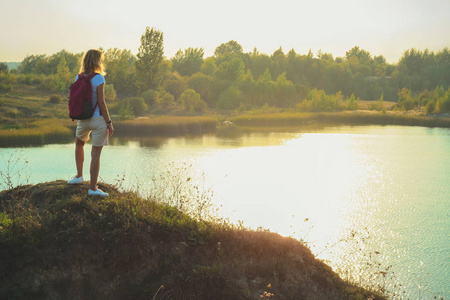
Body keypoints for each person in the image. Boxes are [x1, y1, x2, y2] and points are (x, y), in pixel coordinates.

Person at [67, 49, 114, 197]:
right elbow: (101, 102)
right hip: (98, 120)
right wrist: (109, 122)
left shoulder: (78, 77)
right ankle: (93, 188)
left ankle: (79, 176)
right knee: (95, 154)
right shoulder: (99, 78)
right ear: (96, 61)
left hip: (82, 119)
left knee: (79, 144)